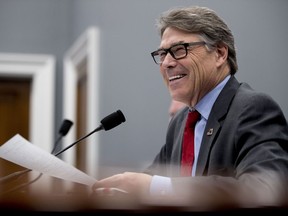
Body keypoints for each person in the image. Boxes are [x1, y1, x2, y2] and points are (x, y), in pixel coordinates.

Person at [92, 6, 288, 209]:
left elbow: (265, 189)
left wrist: (158, 187)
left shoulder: (253, 109)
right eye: (162, 54)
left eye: (179, 50)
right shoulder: (179, 122)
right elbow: (148, 180)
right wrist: (118, 192)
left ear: (220, 53)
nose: (167, 62)